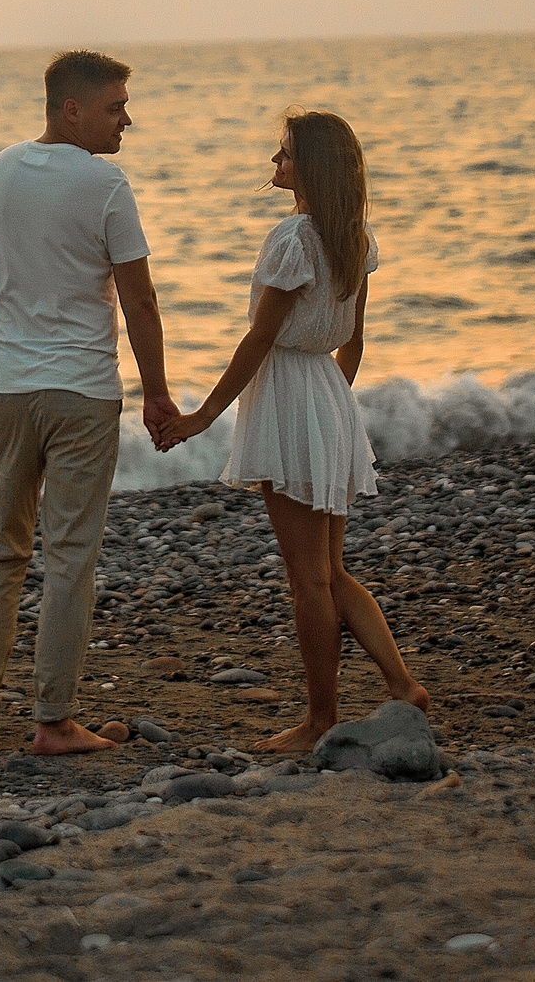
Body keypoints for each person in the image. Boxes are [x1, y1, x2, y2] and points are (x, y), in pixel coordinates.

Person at [155, 110, 430, 752]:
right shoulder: (354, 236)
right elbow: (354, 343)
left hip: (290, 396)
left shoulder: (293, 240)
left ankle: (320, 721)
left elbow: (259, 340)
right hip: (329, 397)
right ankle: (401, 685)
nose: (274, 164)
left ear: (310, 167)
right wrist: (329, 409)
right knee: (330, 570)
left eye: (283, 154)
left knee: (308, 576)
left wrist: (202, 417)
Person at [0, 49, 183, 755]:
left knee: (0, 547)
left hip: (9, 386)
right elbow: (139, 298)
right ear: (70, 108)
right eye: (114, 106)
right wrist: (157, 391)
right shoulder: (107, 186)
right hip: (81, 393)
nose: (126, 119)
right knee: (70, 555)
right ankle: (52, 720)